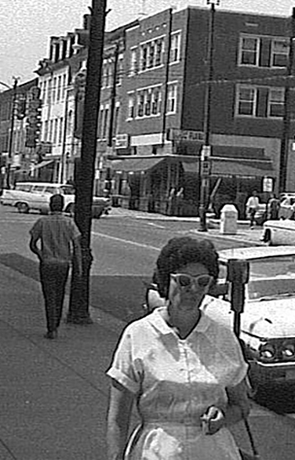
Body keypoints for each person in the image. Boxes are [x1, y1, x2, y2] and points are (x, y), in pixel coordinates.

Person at [106, 236, 250, 460]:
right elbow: (118, 417)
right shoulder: (138, 334)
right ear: (166, 281)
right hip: (156, 452)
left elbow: (242, 405)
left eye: (202, 282)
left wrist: (223, 417)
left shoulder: (224, 338)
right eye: (183, 281)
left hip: (214, 451)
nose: (193, 290)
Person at [28, 192, 81, 339]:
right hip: (63, 263)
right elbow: (76, 245)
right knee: (60, 294)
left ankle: (51, 327)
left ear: (50, 205)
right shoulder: (69, 223)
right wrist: (79, 266)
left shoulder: (42, 222)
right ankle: (56, 324)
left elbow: (32, 243)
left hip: (47, 263)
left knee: (48, 295)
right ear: (63, 206)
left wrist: (40, 254)